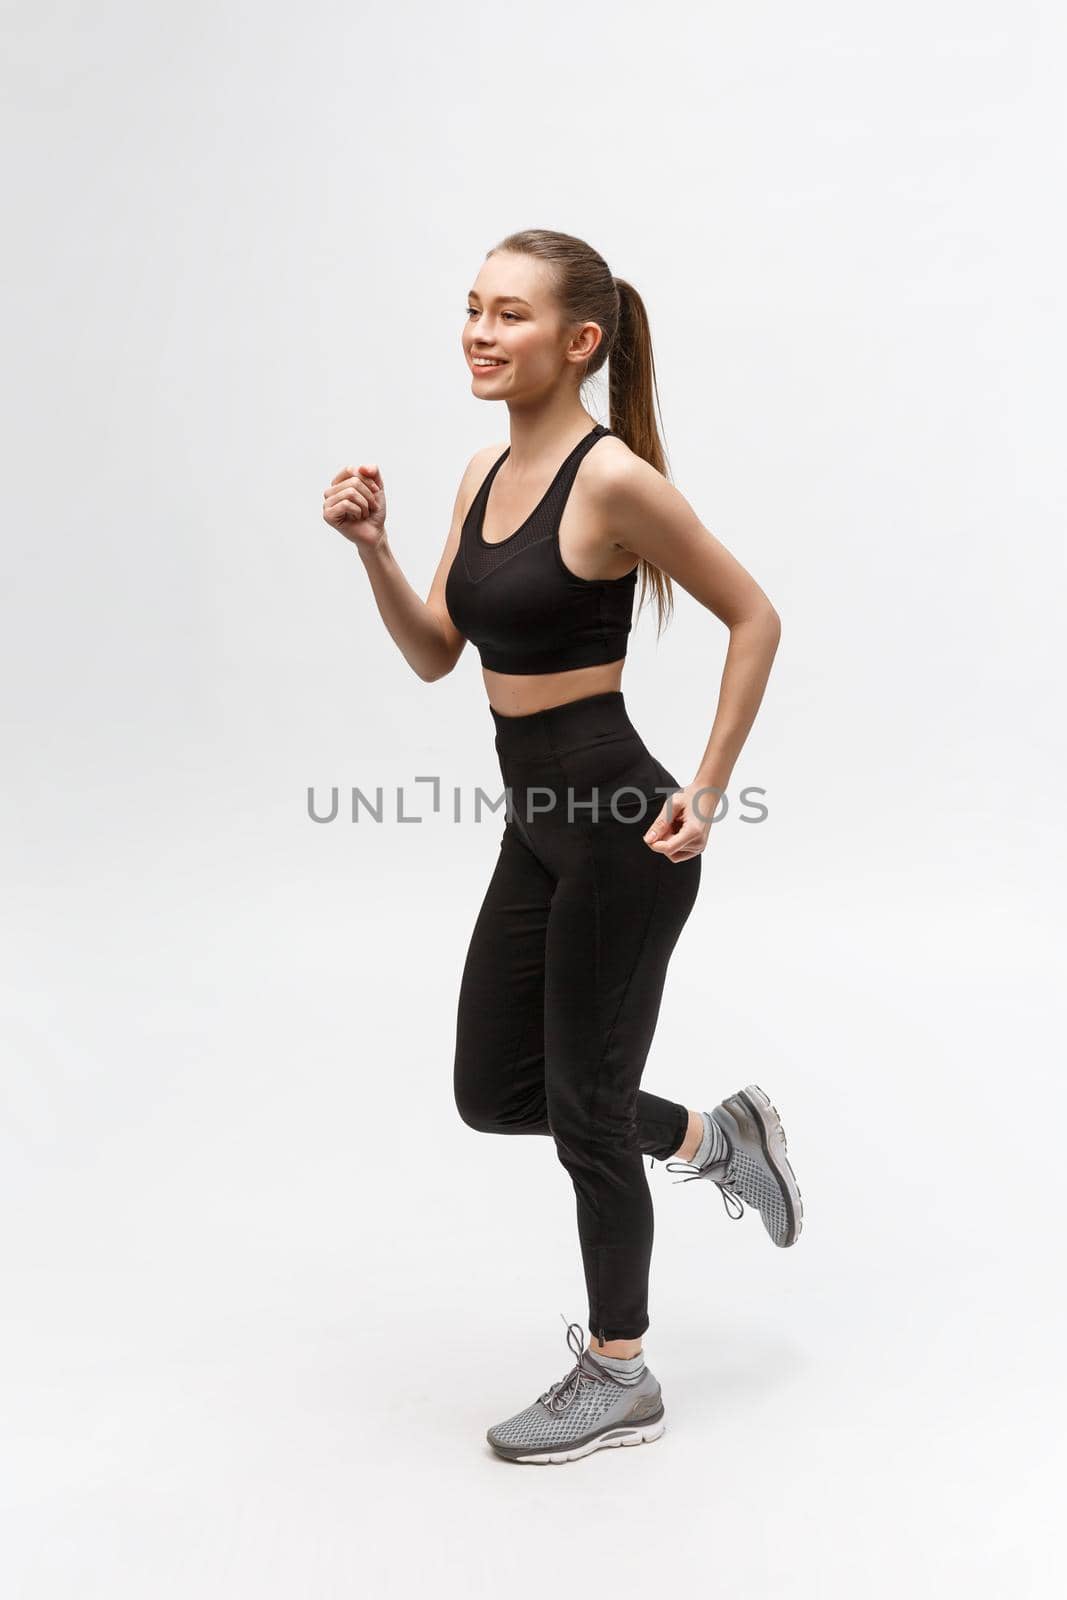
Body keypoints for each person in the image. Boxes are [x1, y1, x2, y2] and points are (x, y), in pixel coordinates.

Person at [322, 228, 803, 1466]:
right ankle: (714, 1137)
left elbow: (754, 616)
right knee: (498, 1091)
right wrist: (374, 549)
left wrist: (705, 788)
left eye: (512, 315)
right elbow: (438, 653)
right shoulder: (483, 473)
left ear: (579, 341)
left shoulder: (613, 481)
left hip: (620, 829)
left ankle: (620, 1371)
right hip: (535, 825)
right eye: (472, 310)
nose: (482, 333)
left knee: (583, 1112)